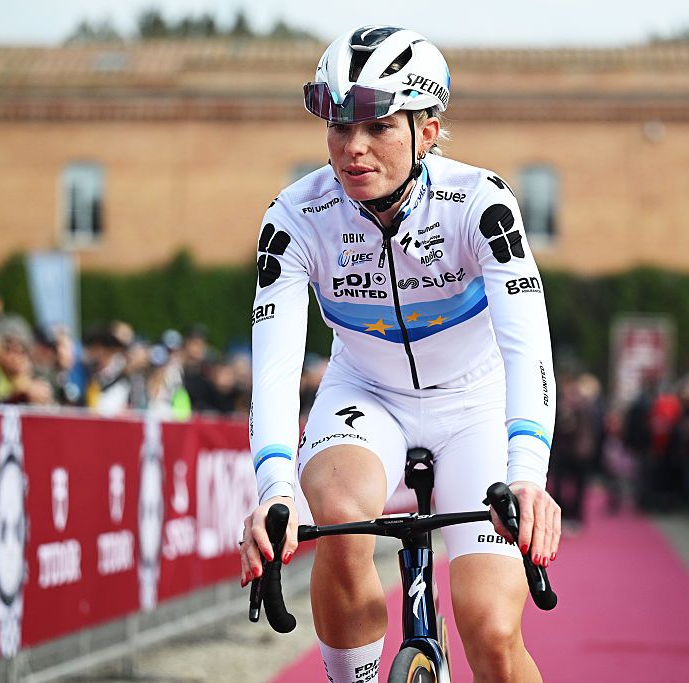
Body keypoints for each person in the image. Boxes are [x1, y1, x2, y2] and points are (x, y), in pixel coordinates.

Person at [239, 26, 559, 682]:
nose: (352, 147)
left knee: (492, 630)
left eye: (378, 126)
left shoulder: (480, 203)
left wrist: (529, 474)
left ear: (428, 132)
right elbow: (274, 366)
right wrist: (274, 489)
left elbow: (527, 343)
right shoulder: (296, 216)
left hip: (475, 404)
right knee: (337, 515)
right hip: (366, 394)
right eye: (339, 126)